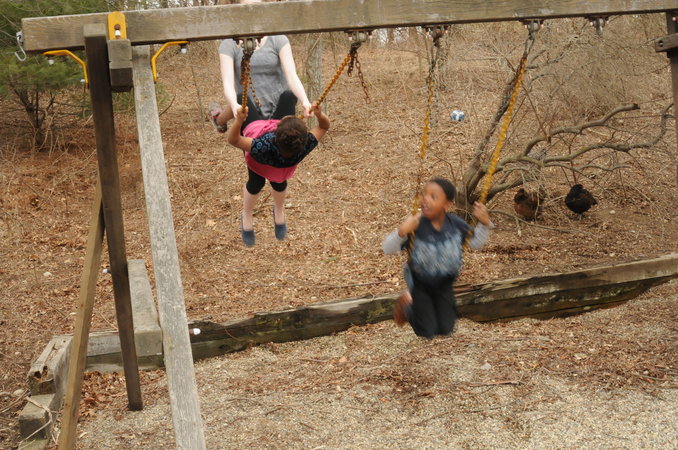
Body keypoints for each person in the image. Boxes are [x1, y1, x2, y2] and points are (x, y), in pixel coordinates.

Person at [382, 178, 492, 338]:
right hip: (418, 278)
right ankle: (407, 305)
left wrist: (485, 223)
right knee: (425, 330)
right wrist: (402, 232)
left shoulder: (455, 224)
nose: (425, 199)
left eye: (433, 197)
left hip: (443, 281)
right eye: (424, 195)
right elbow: (387, 248)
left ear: (447, 205)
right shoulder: (416, 224)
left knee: (445, 328)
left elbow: (475, 243)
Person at [227, 104, 330, 246]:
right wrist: (319, 114)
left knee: (256, 184)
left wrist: (239, 120)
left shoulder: (263, 145)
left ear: (275, 134)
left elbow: (234, 140)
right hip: (282, 169)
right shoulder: (305, 145)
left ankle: (249, 213)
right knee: (279, 183)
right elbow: (324, 127)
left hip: (258, 163)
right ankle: (271, 211)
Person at [209, 0, 312, 133]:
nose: (252, 13)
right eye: (246, 9)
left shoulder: (278, 39)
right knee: (241, 99)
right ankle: (219, 120)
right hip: (250, 112)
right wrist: (234, 105)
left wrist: (305, 100)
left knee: (289, 95)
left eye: (256, 8)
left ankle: (221, 118)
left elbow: (291, 75)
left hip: (279, 109)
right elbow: (228, 83)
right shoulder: (229, 44)